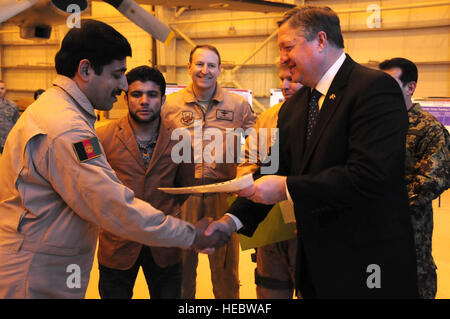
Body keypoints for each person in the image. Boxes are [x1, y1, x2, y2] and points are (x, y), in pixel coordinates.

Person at [0, 20, 227, 299]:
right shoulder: (67, 128)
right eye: (118, 74)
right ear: (85, 70)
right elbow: (111, 204)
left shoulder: (54, 111)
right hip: (36, 275)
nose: (123, 85)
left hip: (42, 264)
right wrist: (191, 235)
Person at [206, 6, 419, 298]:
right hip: (316, 262)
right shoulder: (296, 106)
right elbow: (275, 167)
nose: (281, 58)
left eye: (287, 47)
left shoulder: (374, 89)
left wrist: (286, 188)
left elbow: (370, 175)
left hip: (369, 261)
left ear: (320, 40)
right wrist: (229, 222)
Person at [158, 44, 256, 299]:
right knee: (181, 269)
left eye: (211, 65)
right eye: (199, 64)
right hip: (183, 196)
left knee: (225, 270)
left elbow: (258, 144)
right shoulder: (169, 105)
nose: (205, 70)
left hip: (222, 196)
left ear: (220, 70)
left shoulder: (238, 106)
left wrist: (247, 175)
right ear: (189, 67)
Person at [96, 65, 186, 299]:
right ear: (126, 98)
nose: (144, 101)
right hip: (118, 244)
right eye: (137, 94)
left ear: (163, 99)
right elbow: (94, 187)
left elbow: (184, 187)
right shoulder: (103, 138)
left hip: (165, 243)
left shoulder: (180, 139)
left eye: (152, 94)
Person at [379, 57, 450, 299]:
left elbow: (433, 179)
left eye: (390, 84)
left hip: (410, 235)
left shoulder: (428, 128)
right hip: (371, 236)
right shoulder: (373, 124)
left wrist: (384, 203)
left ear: (410, 88)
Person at [237, 63, 302, 299]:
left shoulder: (326, 118)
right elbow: (248, 160)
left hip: (307, 225)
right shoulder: (266, 118)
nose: (285, 86)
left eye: (292, 79)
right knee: (269, 289)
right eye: (282, 79)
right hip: (270, 223)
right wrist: (245, 183)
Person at [0, 80, 19, 154]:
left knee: (6, 165)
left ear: (5, 90)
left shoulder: (12, 106)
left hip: (6, 142)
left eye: (2, 88)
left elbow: (16, 125)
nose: (0, 91)